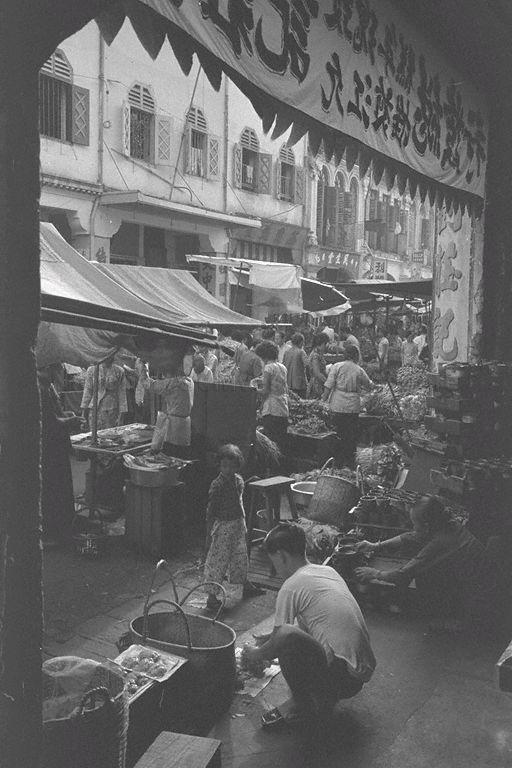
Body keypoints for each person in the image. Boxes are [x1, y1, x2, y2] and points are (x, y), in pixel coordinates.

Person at [241, 523, 376, 728]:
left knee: (286, 638)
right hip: (357, 675)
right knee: (287, 633)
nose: (276, 568)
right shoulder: (326, 571)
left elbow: (283, 637)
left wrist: (256, 653)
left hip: (342, 678)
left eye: (274, 561)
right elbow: (314, 623)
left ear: (282, 556)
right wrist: (269, 637)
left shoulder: (292, 585)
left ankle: (304, 705)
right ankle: (322, 698)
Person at [354, 494, 500, 631]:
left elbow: (403, 575)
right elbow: (412, 536)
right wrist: (376, 545)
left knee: (424, 576)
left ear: (427, 525)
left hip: (482, 595)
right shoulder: (447, 523)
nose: (413, 528)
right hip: (485, 578)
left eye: (414, 524)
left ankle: (463, 621)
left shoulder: (442, 542)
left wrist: (375, 573)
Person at [203, 444, 264, 610]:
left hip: (238, 523)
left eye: (232, 466)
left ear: (238, 466)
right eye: (224, 466)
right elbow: (212, 510)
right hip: (223, 526)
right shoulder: (217, 485)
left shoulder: (238, 480)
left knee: (240, 556)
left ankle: (245, 584)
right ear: (219, 465)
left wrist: (252, 482)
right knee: (217, 560)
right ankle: (211, 596)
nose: (228, 469)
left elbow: (238, 498)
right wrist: (209, 532)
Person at [39, 364, 83, 542]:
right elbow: (50, 423)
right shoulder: (40, 388)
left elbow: (57, 413)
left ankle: (63, 525)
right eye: (59, 370)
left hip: (58, 444)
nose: (61, 374)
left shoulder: (49, 387)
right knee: (54, 488)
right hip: (50, 446)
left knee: (62, 485)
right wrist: (71, 420)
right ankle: (54, 530)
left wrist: (68, 414)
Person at [321, 344, 374, 468]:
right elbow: (368, 385)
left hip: (337, 404)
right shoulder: (358, 369)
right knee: (350, 436)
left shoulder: (337, 366)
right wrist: (374, 386)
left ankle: (336, 462)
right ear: (356, 356)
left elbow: (328, 385)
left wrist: (323, 400)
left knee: (337, 433)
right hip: (352, 406)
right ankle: (349, 462)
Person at [139, 344, 194, 458]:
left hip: (173, 427)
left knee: (169, 457)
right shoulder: (189, 381)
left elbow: (146, 383)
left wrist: (143, 365)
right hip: (185, 426)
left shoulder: (173, 383)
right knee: (181, 456)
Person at [255, 340, 289, 448]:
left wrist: (254, 390)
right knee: (280, 441)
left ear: (264, 356)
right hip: (283, 407)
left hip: (272, 408)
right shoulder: (282, 367)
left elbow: (265, 391)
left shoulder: (268, 368)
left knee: (271, 443)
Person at [81, 354, 128, 430]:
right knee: (94, 436)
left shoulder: (119, 371)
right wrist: (83, 414)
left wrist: (121, 415)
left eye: (111, 354)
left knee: (110, 436)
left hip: (112, 409)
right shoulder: (92, 370)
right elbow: (87, 391)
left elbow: (122, 393)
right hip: (94, 408)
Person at [283, 332, 309, 398]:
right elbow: (307, 365)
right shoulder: (301, 352)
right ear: (300, 342)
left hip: (288, 383)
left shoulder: (287, 352)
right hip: (299, 384)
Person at [307, 332, 329, 398]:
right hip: (316, 385)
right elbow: (317, 373)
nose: (326, 346)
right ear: (322, 343)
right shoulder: (315, 355)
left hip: (319, 383)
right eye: (325, 344)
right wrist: (328, 383)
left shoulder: (318, 354)